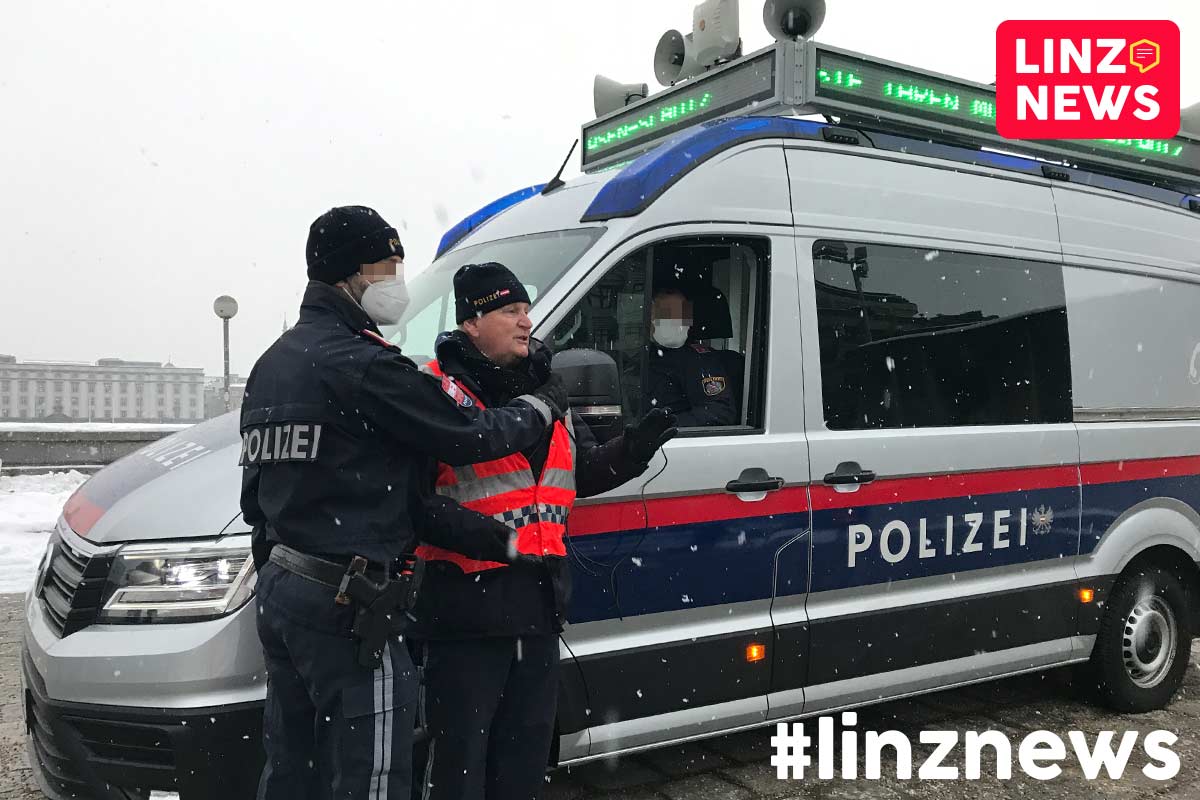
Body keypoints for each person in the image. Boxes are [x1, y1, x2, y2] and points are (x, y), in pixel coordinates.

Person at [240, 208, 567, 800]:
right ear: (350, 273)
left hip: (285, 590)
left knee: (295, 765)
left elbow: (255, 498)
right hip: (351, 601)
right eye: (388, 267)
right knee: (371, 773)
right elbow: (468, 435)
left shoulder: (275, 363)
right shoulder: (361, 363)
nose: (397, 282)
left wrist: (279, 573)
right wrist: (541, 408)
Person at [409, 262, 678, 800]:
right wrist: (488, 537)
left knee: (524, 765)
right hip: (464, 616)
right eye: (509, 310)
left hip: (537, 610)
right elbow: (413, 502)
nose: (525, 321)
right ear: (471, 323)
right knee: (457, 768)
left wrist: (632, 451)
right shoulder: (433, 391)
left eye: (526, 309)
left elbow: (575, 475)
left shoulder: (547, 391)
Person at [643, 285, 738, 426]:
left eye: (680, 315)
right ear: (651, 317)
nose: (675, 322)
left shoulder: (700, 360)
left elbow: (720, 411)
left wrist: (666, 426)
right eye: (667, 314)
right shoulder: (641, 357)